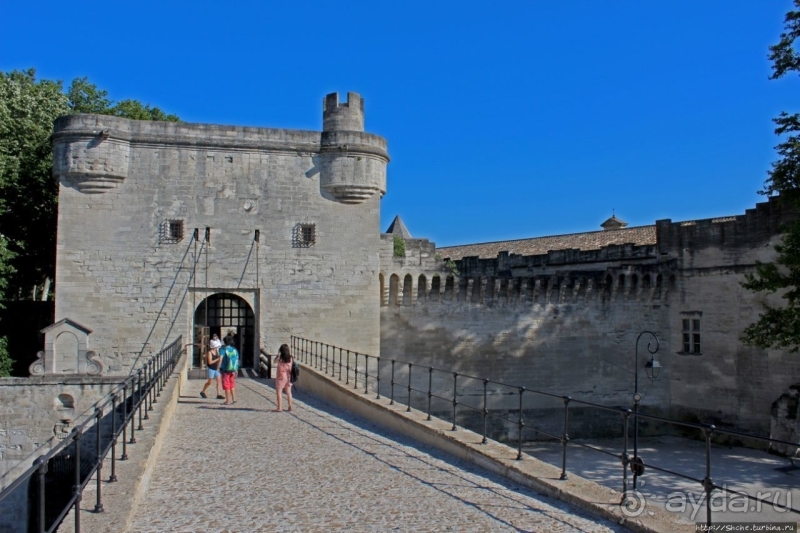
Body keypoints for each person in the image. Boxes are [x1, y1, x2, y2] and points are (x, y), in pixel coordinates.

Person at [200, 334, 224, 399]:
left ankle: (218, 394)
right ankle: (203, 391)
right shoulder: (209, 352)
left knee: (219, 381)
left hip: (216, 368)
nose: (217, 347)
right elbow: (210, 362)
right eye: (216, 346)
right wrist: (217, 359)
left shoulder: (217, 352)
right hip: (211, 368)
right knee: (209, 382)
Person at [219, 335, 239, 405]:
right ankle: (234, 399)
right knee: (232, 384)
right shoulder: (234, 349)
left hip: (225, 370)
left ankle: (227, 400)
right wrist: (236, 369)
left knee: (226, 385)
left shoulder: (223, 349)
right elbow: (236, 359)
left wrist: (218, 368)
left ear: (224, 342)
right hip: (233, 369)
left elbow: (220, 359)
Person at [274, 344, 293, 412]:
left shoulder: (280, 358)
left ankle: (279, 407)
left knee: (279, 393)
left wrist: (278, 354)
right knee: (288, 392)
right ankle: (290, 406)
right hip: (288, 376)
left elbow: (274, 362)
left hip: (281, 376)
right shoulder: (290, 358)